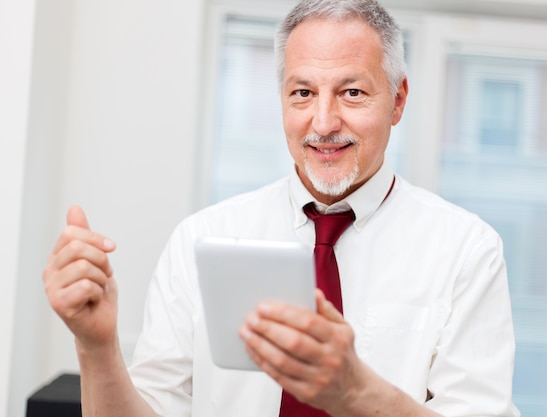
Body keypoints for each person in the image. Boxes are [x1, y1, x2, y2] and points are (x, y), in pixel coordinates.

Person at [43, 0, 520, 416]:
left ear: (397, 101)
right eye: (303, 93)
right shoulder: (200, 240)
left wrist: (355, 392)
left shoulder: (466, 250)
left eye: (352, 92)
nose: (325, 121)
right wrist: (96, 346)